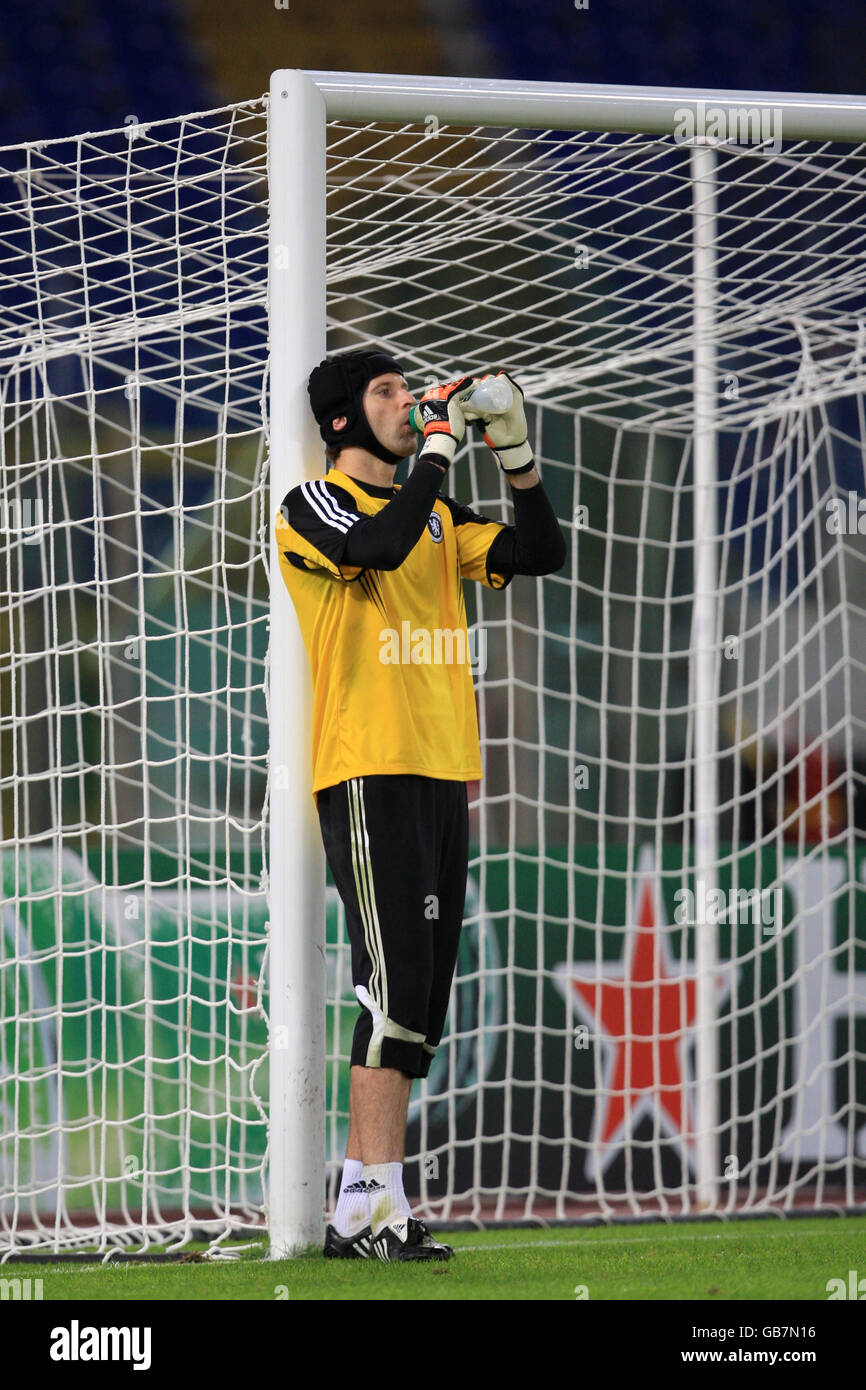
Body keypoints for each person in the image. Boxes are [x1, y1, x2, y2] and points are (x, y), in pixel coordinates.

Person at [275, 347, 566, 1260]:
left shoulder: (435, 510)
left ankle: (368, 1211)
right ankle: (366, 1209)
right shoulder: (312, 504)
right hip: (367, 769)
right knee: (396, 989)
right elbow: (375, 546)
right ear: (340, 421)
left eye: (410, 390)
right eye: (387, 392)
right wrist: (439, 448)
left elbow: (540, 552)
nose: (407, 402)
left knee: (417, 1004)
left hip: (444, 772)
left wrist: (515, 455)